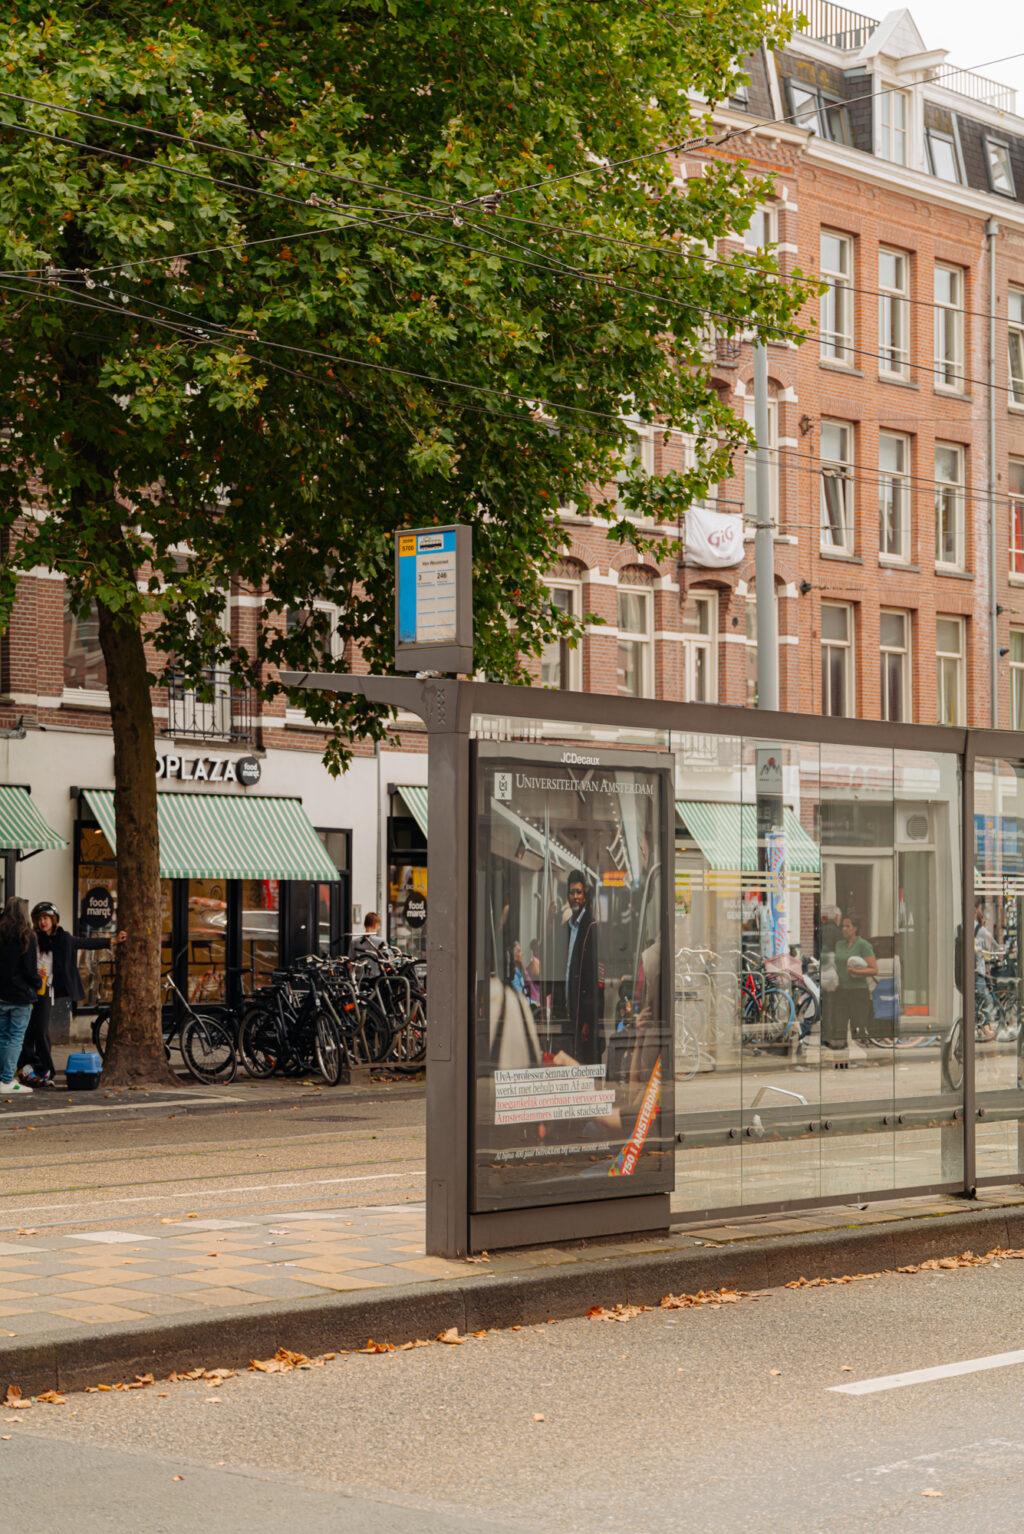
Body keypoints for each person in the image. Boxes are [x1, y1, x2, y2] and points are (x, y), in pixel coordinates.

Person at [19, 902, 126, 1087]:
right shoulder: (31, 938)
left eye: (46, 918)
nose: (42, 922)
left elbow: (85, 942)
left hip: (45, 990)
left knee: (41, 1030)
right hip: (28, 988)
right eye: (39, 919)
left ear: (54, 920)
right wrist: (32, 971)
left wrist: (112, 941)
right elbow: (21, 960)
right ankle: (27, 1068)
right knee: (27, 1030)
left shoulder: (64, 939)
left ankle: (46, 1069)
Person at [823, 912, 877, 1065]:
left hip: (858, 991)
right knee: (839, 1025)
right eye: (843, 926)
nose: (844, 929)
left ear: (855, 928)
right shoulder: (839, 944)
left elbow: (873, 969)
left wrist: (856, 972)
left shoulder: (863, 945)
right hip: (841, 991)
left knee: (857, 1025)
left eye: (848, 926)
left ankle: (861, 1059)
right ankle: (840, 1061)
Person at [0, 896, 41, 1095]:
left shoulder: (1, 934)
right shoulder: (27, 936)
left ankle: (2, 1076)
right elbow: (30, 971)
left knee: (2, 1035)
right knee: (15, 1037)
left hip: (1, 994)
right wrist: (38, 983)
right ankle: (7, 1079)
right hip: (20, 995)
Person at [565, 872, 601, 1064]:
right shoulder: (568, 926)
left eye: (579, 892)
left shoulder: (590, 926)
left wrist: (587, 1020)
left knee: (584, 1062)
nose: (576, 896)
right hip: (569, 1008)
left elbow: (591, 976)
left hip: (582, 1014)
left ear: (585, 896)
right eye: (572, 892)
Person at [974, 897, 999, 1044]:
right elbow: (995, 946)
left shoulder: (964, 927)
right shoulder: (980, 930)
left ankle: (984, 1026)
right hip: (977, 971)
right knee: (987, 999)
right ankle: (985, 1028)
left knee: (978, 999)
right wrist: (1003, 951)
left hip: (971, 970)